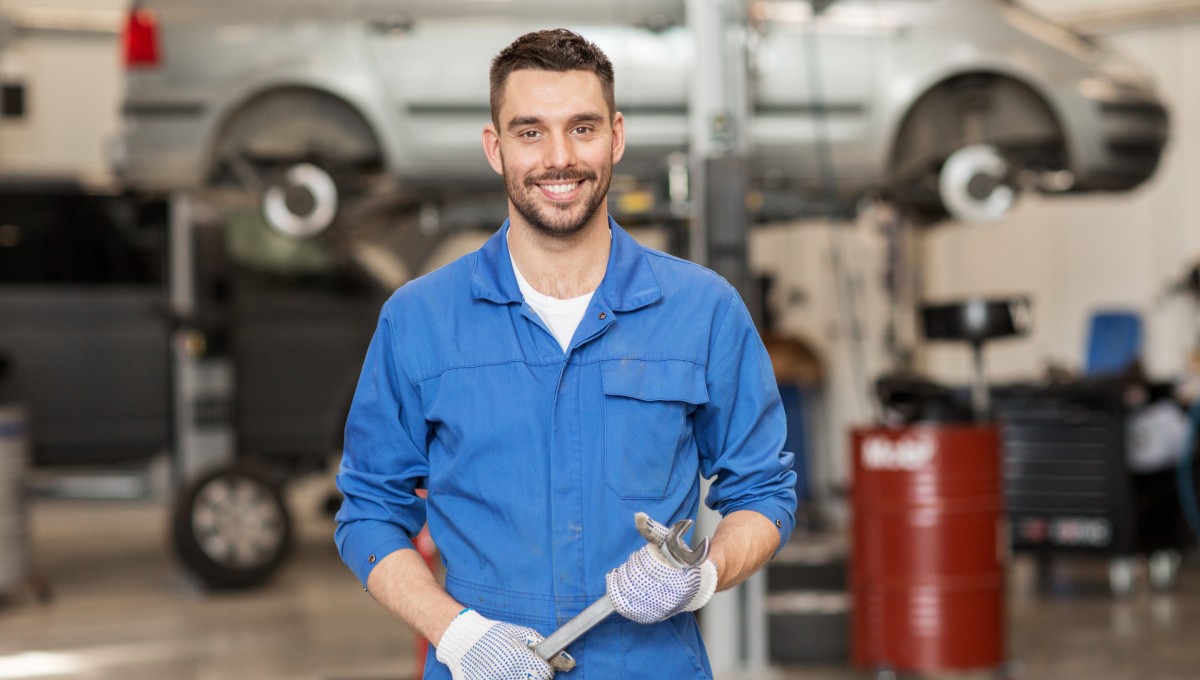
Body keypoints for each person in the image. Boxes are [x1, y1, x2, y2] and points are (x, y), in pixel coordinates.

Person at [335, 28, 796, 680]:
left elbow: (764, 491)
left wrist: (703, 577)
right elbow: (370, 512)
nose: (559, 158)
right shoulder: (420, 319)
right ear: (495, 149)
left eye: (582, 129)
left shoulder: (703, 311)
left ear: (617, 136)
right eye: (530, 132)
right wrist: (458, 635)